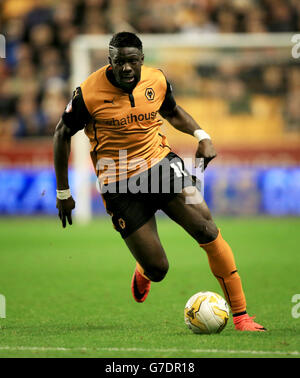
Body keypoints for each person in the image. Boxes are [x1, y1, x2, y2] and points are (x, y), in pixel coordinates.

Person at [53, 32, 266, 332]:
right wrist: (63, 191)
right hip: (118, 184)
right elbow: (62, 134)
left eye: (132, 61)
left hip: (161, 167)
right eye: (119, 62)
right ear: (109, 62)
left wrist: (202, 136)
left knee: (207, 229)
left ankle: (242, 316)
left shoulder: (157, 80)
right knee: (159, 268)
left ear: (142, 59)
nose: (126, 68)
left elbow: (173, 112)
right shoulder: (87, 93)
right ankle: (145, 270)